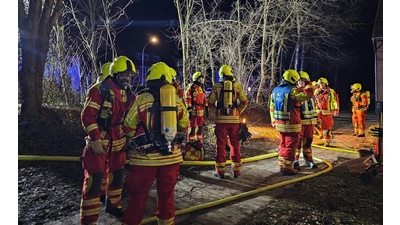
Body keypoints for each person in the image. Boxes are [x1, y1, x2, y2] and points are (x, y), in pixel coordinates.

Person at [121, 62, 189, 225]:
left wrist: (130, 140)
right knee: (167, 196)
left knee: (138, 197)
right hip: (171, 158)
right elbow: (184, 124)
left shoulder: (142, 99)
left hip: (144, 159)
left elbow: (128, 126)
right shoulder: (177, 100)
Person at [80, 56, 136, 224]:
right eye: (124, 75)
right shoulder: (99, 90)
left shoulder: (129, 94)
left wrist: (128, 138)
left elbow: (130, 118)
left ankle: (113, 205)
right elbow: (87, 116)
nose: (127, 78)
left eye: (129, 75)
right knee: (94, 180)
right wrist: (95, 139)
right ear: (114, 74)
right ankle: (88, 220)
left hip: (118, 140)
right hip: (100, 141)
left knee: (117, 176)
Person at [269, 69, 315, 175]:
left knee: (283, 145)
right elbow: (308, 95)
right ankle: (287, 168)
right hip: (291, 125)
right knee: (290, 146)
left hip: (279, 124)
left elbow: (271, 107)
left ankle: (282, 165)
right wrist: (308, 84)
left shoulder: (275, 91)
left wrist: (273, 120)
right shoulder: (293, 91)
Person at [208, 65, 248, 179]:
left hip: (221, 121)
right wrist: (237, 112)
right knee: (234, 144)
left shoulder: (216, 87)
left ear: (221, 74)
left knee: (220, 145)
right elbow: (244, 102)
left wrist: (217, 112)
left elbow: (210, 103)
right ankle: (236, 170)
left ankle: (220, 171)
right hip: (234, 121)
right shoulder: (237, 86)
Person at [294, 71, 318, 170]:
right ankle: (295, 160)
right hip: (300, 122)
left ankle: (308, 160)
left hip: (310, 122)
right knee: (297, 143)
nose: (301, 83)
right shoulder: (295, 92)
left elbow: (314, 106)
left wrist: (317, 119)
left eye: (303, 81)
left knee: (308, 143)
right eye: (299, 81)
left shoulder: (311, 93)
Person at [314, 77, 340, 146]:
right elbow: (314, 101)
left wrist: (336, 110)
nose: (321, 85)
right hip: (318, 112)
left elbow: (335, 101)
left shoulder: (331, 91)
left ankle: (327, 141)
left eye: (323, 83)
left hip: (327, 113)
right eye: (320, 84)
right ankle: (321, 134)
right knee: (315, 124)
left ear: (326, 84)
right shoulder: (316, 91)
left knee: (327, 128)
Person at [185, 71, 209, 143]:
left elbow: (205, 99)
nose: (201, 81)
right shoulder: (191, 88)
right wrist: (189, 110)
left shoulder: (201, 88)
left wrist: (206, 109)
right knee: (192, 127)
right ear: (196, 79)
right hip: (193, 111)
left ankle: (199, 142)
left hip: (200, 111)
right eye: (200, 79)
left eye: (202, 79)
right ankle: (191, 142)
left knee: (200, 127)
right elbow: (187, 99)